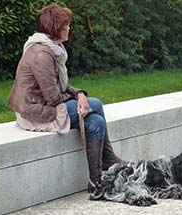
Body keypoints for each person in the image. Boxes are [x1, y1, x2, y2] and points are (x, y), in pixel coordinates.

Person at [7, 4, 122, 192]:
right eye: (66, 25)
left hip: (47, 105)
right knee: (96, 104)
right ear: (56, 29)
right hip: (35, 113)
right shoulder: (42, 54)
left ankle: (96, 181)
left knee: (96, 122)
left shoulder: (53, 48)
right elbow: (53, 97)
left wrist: (79, 94)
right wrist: (80, 100)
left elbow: (60, 86)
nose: (69, 28)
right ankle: (108, 161)